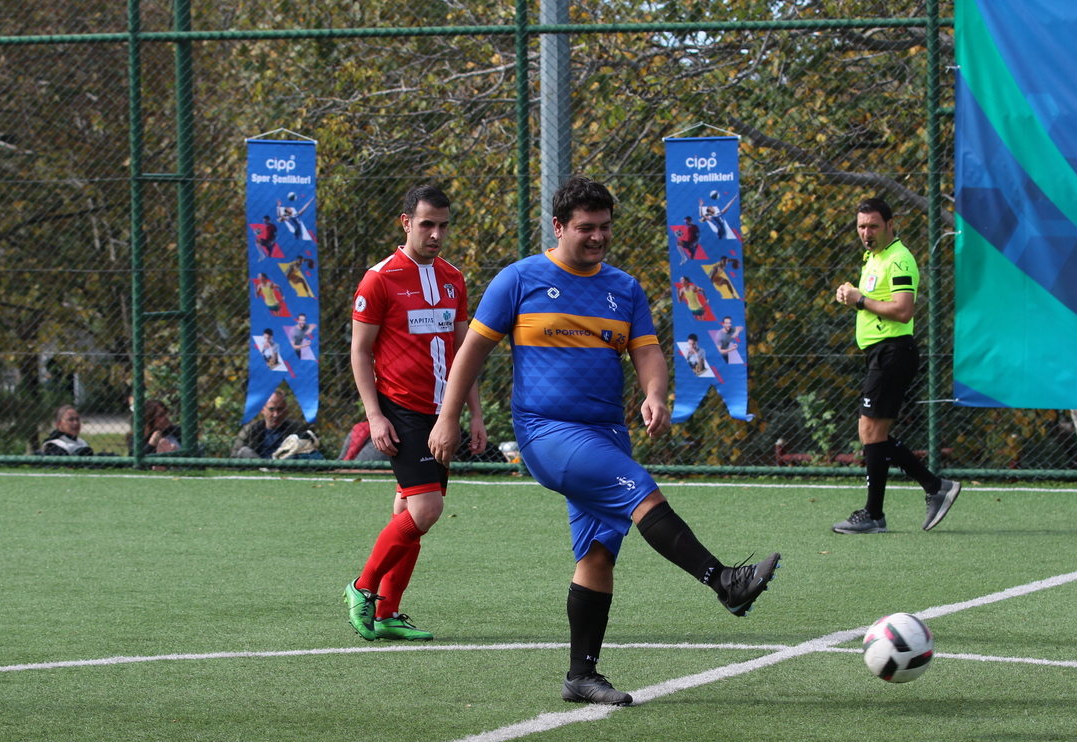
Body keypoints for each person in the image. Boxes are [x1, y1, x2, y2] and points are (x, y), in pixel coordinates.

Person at [428, 176, 780, 706]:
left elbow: (648, 352)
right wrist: (448, 418)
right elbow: (471, 353)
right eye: (586, 228)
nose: (597, 237)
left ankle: (581, 676)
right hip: (546, 431)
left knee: (597, 554)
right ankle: (724, 581)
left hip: (608, 434)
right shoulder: (519, 279)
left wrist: (655, 395)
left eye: (605, 227)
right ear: (558, 226)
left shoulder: (624, 288)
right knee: (640, 490)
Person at [345, 183, 486, 643]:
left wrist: (474, 414)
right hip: (401, 409)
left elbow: (465, 352)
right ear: (406, 223)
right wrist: (375, 416)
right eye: (427, 224)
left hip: (441, 413)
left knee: (408, 511)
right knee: (427, 508)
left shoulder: (453, 278)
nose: (436, 234)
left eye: (443, 225)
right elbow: (360, 352)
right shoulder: (379, 279)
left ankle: (388, 612)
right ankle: (362, 588)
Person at [831, 196, 960, 535]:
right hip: (881, 353)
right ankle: (933, 487)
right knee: (871, 432)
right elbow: (875, 301)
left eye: (873, 226)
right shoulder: (873, 258)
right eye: (861, 226)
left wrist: (860, 299)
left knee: (871, 431)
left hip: (893, 352)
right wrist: (852, 296)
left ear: (890, 225)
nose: (866, 232)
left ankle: (878, 513)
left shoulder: (900, 259)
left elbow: (903, 310)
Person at [232, 390, 319, 459]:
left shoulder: (296, 427)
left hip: (285, 464)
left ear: (285, 409)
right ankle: (265, 468)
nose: (276, 414)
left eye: (280, 409)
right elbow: (235, 454)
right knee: (244, 451)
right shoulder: (250, 429)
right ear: (262, 410)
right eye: (271, 409)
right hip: (259, 465)